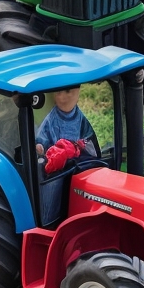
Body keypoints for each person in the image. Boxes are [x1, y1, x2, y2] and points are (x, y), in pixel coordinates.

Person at [35, 86, 98, 224]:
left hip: (77, 168)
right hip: (56, 173)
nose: (62, 97)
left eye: (68, 92)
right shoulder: (51, 119)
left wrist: (80, 148)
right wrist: (40, 146)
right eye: (58, 92)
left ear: (78, 92)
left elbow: (90, 143)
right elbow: (41, 140)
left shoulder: (81, 119)